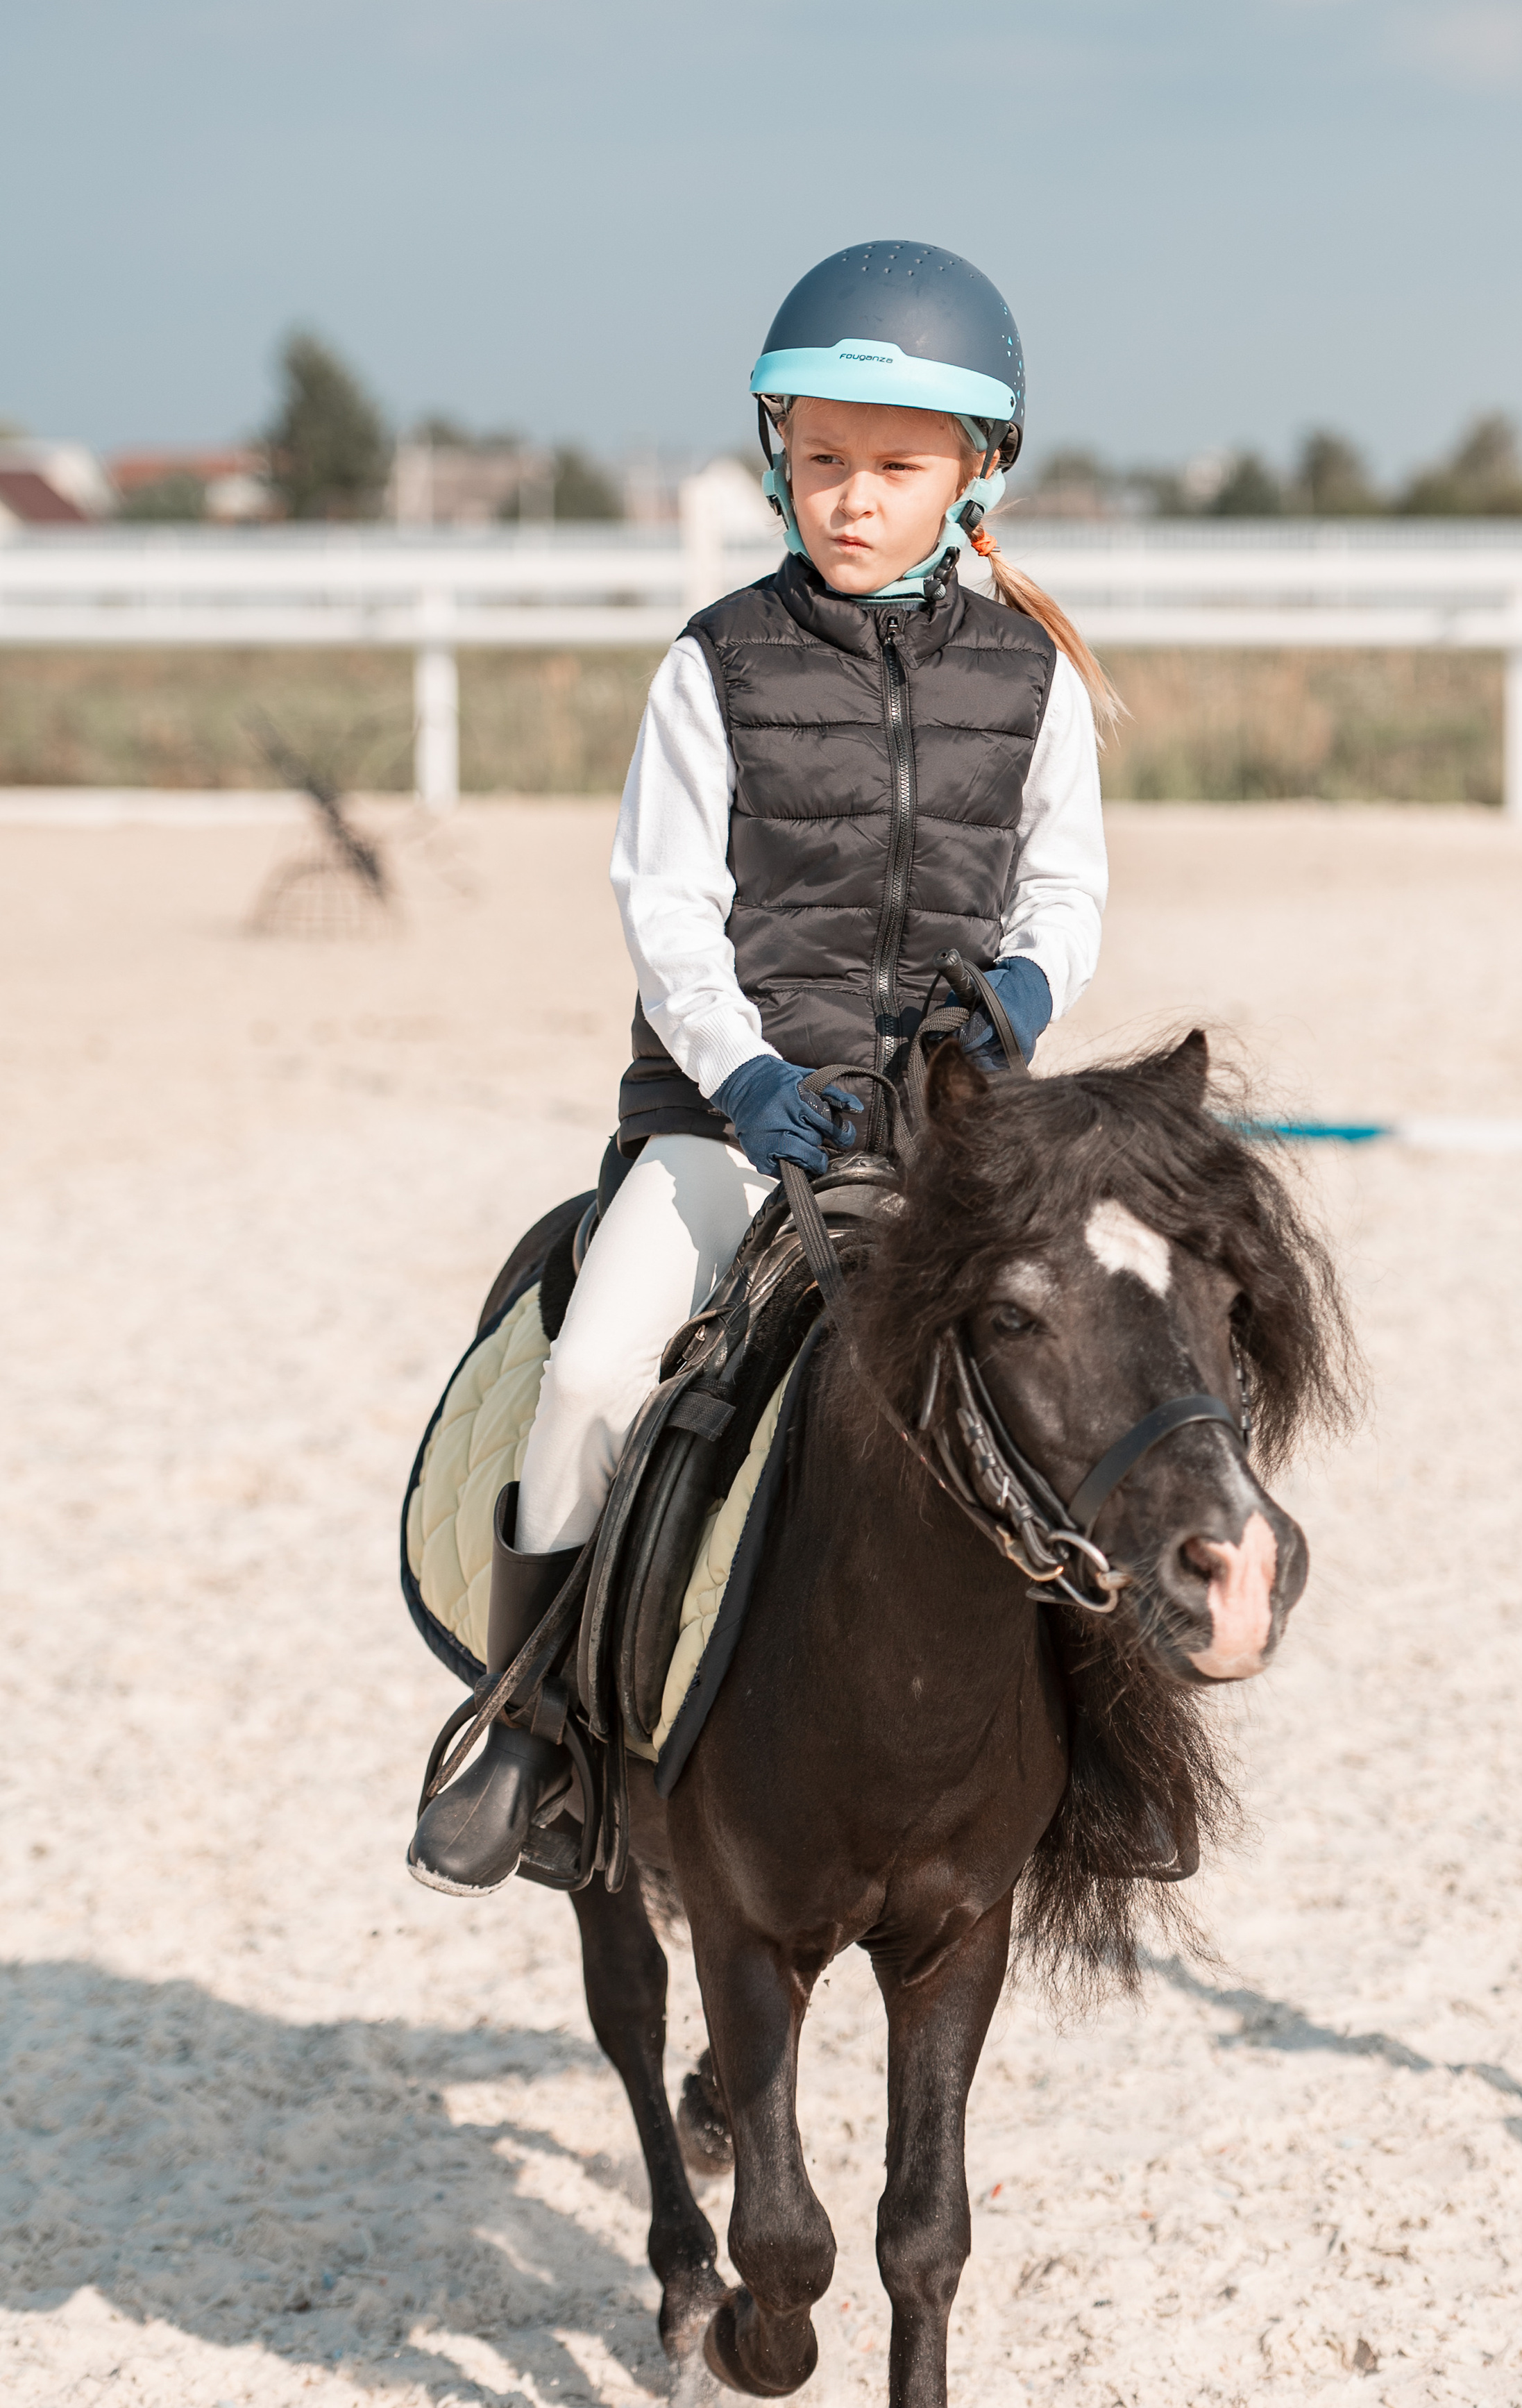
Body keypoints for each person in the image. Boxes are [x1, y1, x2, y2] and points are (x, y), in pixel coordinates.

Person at [408, 240, 1120, 1898]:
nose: (849, 501)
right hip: (735, 1125)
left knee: (1097, 1376)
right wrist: (738, 1076)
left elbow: (1065, 887)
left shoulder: (1031, 680)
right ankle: (533, 1734)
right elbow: (661, 901)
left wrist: (1018, 991)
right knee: (590, 1378)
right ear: (775, 463)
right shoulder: (711, 661)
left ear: (973, 472)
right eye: (819, 464)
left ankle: (1094, 1756)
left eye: (890, 468)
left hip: (946, 1128)